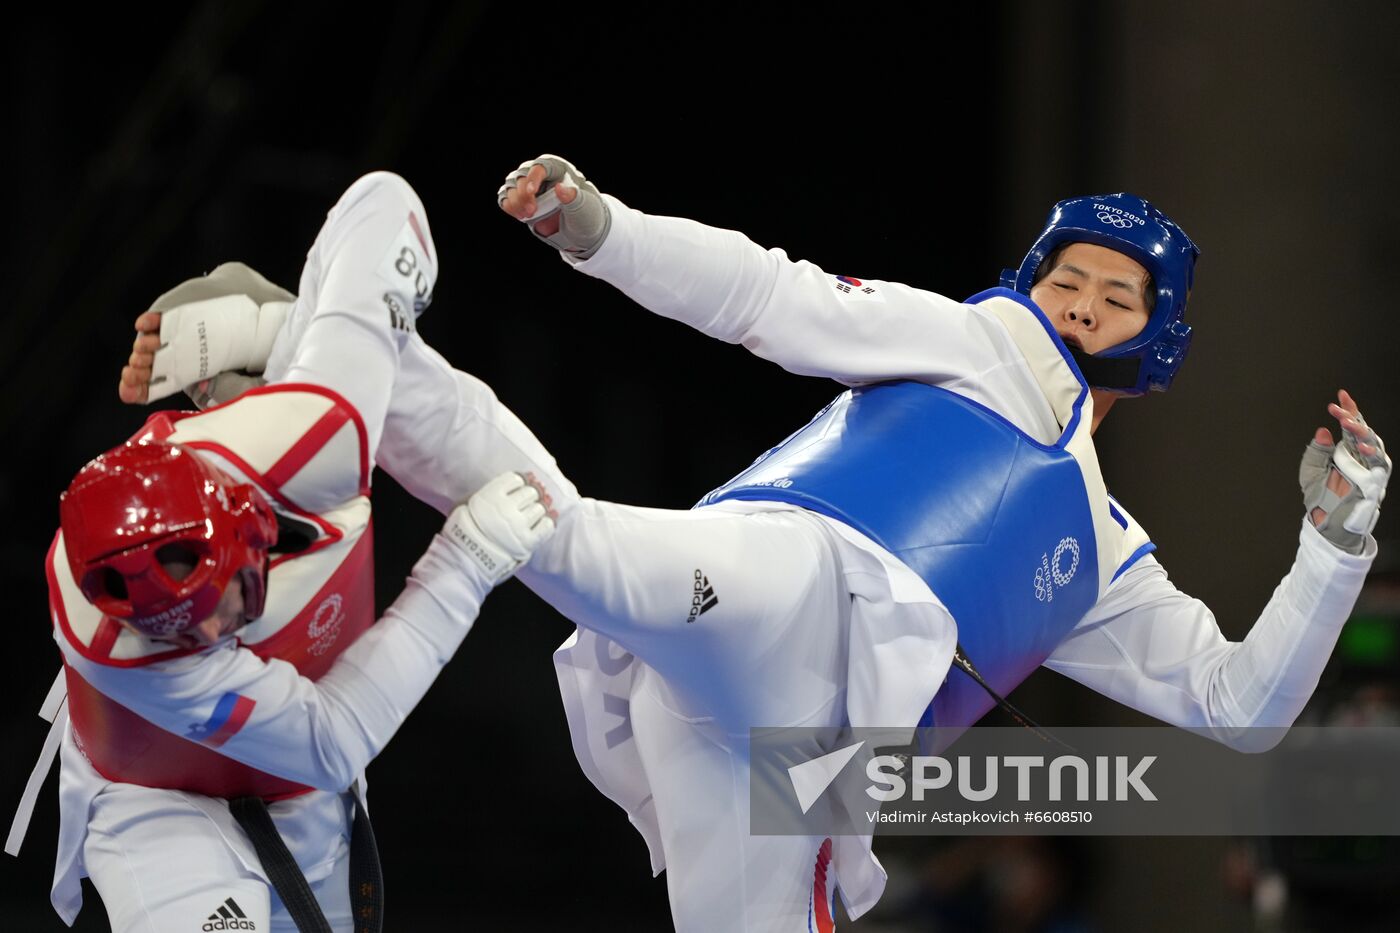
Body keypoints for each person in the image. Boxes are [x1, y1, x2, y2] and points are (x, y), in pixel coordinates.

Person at [126, 155, 1393, 931]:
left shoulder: (1107, 559)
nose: (1078, 302)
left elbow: (1240, 710)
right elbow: (764, 296)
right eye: (1068, 276)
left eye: (1115, 298)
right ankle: (346, 342)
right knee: (565, 543)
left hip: (796, 761)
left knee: (559, 537)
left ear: (1153, 344)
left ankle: (352, 352)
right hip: (777, 588)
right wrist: (604, 234)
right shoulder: (976, 341)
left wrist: (1331, 549)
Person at [14, 172, 555, 932]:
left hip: (295, 787)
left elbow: (382, 200)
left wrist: (303, 327)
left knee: (459, 439)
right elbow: (332, 737)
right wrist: (465, 560)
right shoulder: (113, 641)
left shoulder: (314, 437)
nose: (220, 641)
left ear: (246, 523)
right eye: (187, 636)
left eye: (220, 609)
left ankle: (275, 343)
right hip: (155, 801)